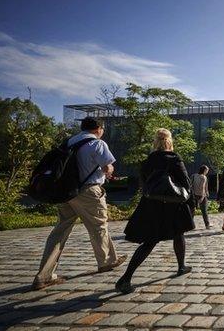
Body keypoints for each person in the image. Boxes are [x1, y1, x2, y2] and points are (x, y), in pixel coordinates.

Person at [32, 117, 126, 290]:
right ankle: (107, 261)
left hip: (66, 192)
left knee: (60, 231)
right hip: (88, 191)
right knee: (98, 226)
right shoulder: (98, 144)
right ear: (98, 128)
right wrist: (110, 170)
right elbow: (107, 167)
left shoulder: (69, 142)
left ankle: (43, 275)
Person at [116, 128, 195, 294]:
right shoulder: (174, 158)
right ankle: (181, 266)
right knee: (178, 233)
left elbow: (145, 184)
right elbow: (186, 184)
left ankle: (127, 277)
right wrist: (191, 205)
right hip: (173, 205)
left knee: (150, 241)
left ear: (156, 141)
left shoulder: (148, 161)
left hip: (152, 205)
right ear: (169, 141)